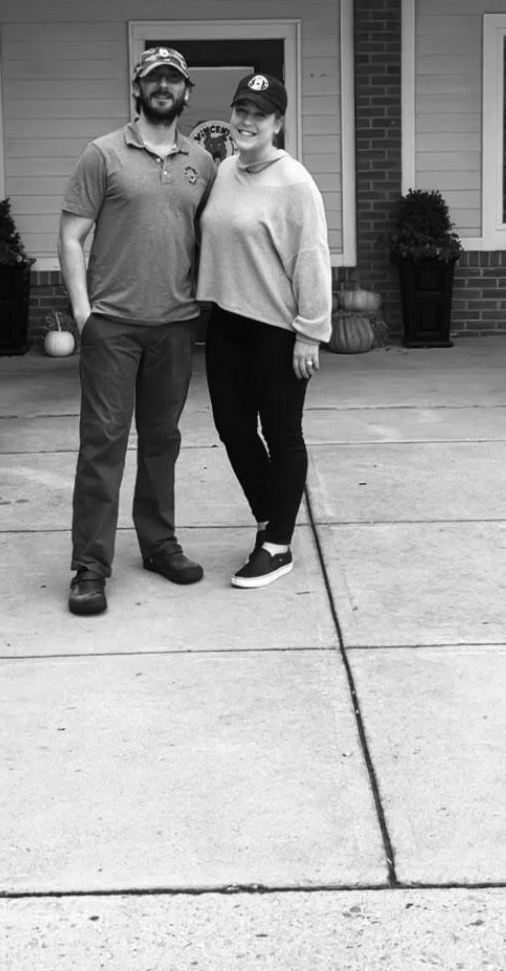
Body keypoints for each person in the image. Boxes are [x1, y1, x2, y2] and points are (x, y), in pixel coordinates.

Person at [58, 46, 216, 616]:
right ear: (138, 88)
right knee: (102, 445)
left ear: (186, 92)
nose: (164, 87)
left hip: (174, 327)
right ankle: (90, 566)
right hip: (114, 327)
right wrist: (83, 315)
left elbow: (213, 241)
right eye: (154, 79)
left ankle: (158, 544)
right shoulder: (102, 154)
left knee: (161, 443)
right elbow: (71, 237)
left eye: (173, 80)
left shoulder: (203, 162)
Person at [196, 72, 332, 588]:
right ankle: (267, 519)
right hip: (227, 322)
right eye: (241, 110)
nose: (247, 121)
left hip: (278, 330)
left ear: (278, 122)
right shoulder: (224, 170)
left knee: (282, 434)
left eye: (260, 113)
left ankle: (277, 545)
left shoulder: (294, 183)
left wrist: (310, 333)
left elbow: (312, 259)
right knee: (232, 429)